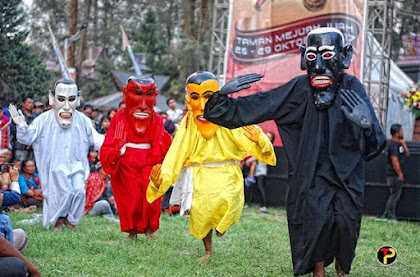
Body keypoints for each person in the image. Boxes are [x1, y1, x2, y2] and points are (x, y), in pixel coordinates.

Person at [204, 28, 386, 277]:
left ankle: (342, 263)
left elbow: (374, 143)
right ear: (304, 61)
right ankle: (318, 269)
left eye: (327, 55)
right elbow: (261, 105)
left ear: (343, 58)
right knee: (316, 220)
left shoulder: (352, 87)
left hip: (347, 173)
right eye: (312, 58)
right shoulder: (300, 89)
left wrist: (366, 126)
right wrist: (222, 99)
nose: (320, 66)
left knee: (346, 222)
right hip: (312, 172)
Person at [147, 71, 276, 263]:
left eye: (208, 97)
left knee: (230, 204)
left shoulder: (229, 116)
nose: (202, 105)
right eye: (195, 97)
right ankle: (208, 250)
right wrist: (160, 182)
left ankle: (221, 227)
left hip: (227, 174)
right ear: (188, 100)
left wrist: (260, 140)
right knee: (201, 214)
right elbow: (177, 152)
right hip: (200, 175)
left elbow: (252, 136)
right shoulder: (189, 122)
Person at [9, 78, 104, 231]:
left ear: (77, 100)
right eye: (61, 99)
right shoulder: (43, 120)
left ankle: (71, 220)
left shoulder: (83, 120)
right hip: (55, 166)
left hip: (77, 164)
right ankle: (59, 221)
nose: (66, 106)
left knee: (79, 191)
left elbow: (97, 139)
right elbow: (27, 137)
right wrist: (21, 125)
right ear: (52, 98)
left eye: (71, 99)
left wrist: (115, 142)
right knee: (63, 192)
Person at [100, 77, 171, 239]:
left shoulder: (157, 119)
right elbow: (110, 143)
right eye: (137, 94)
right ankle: (132, 230)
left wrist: (160, 157)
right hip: (127, 162)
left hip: (149, 161)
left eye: (149, 95)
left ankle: (149, 229)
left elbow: (161, 143)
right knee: (130, 197)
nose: (143, 104)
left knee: (151, 194)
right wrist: (117, 150)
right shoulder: (119, 117)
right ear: (127, 95)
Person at [381, 124, 409, 221]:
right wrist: (399, 173)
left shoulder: (399, 143)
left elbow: (407, 153)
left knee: (393, 194)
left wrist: (404, 143)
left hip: (396, 174)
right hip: (393, 174)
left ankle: (385, 215)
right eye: (401, 131)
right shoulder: (392, 144)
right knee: (394, 195)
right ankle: (391, 216)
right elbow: (394, 160)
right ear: (397, 133)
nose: (402, 132)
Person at [10, 95, 37, 161]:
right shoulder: (17, 116)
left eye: (32, 103)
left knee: (31, 166)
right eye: (29, 102)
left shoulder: (36, 117)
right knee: (19, 164)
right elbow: (14, 130)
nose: (31, 104)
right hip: (19, 146)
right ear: (23, 104)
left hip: (32, 147)